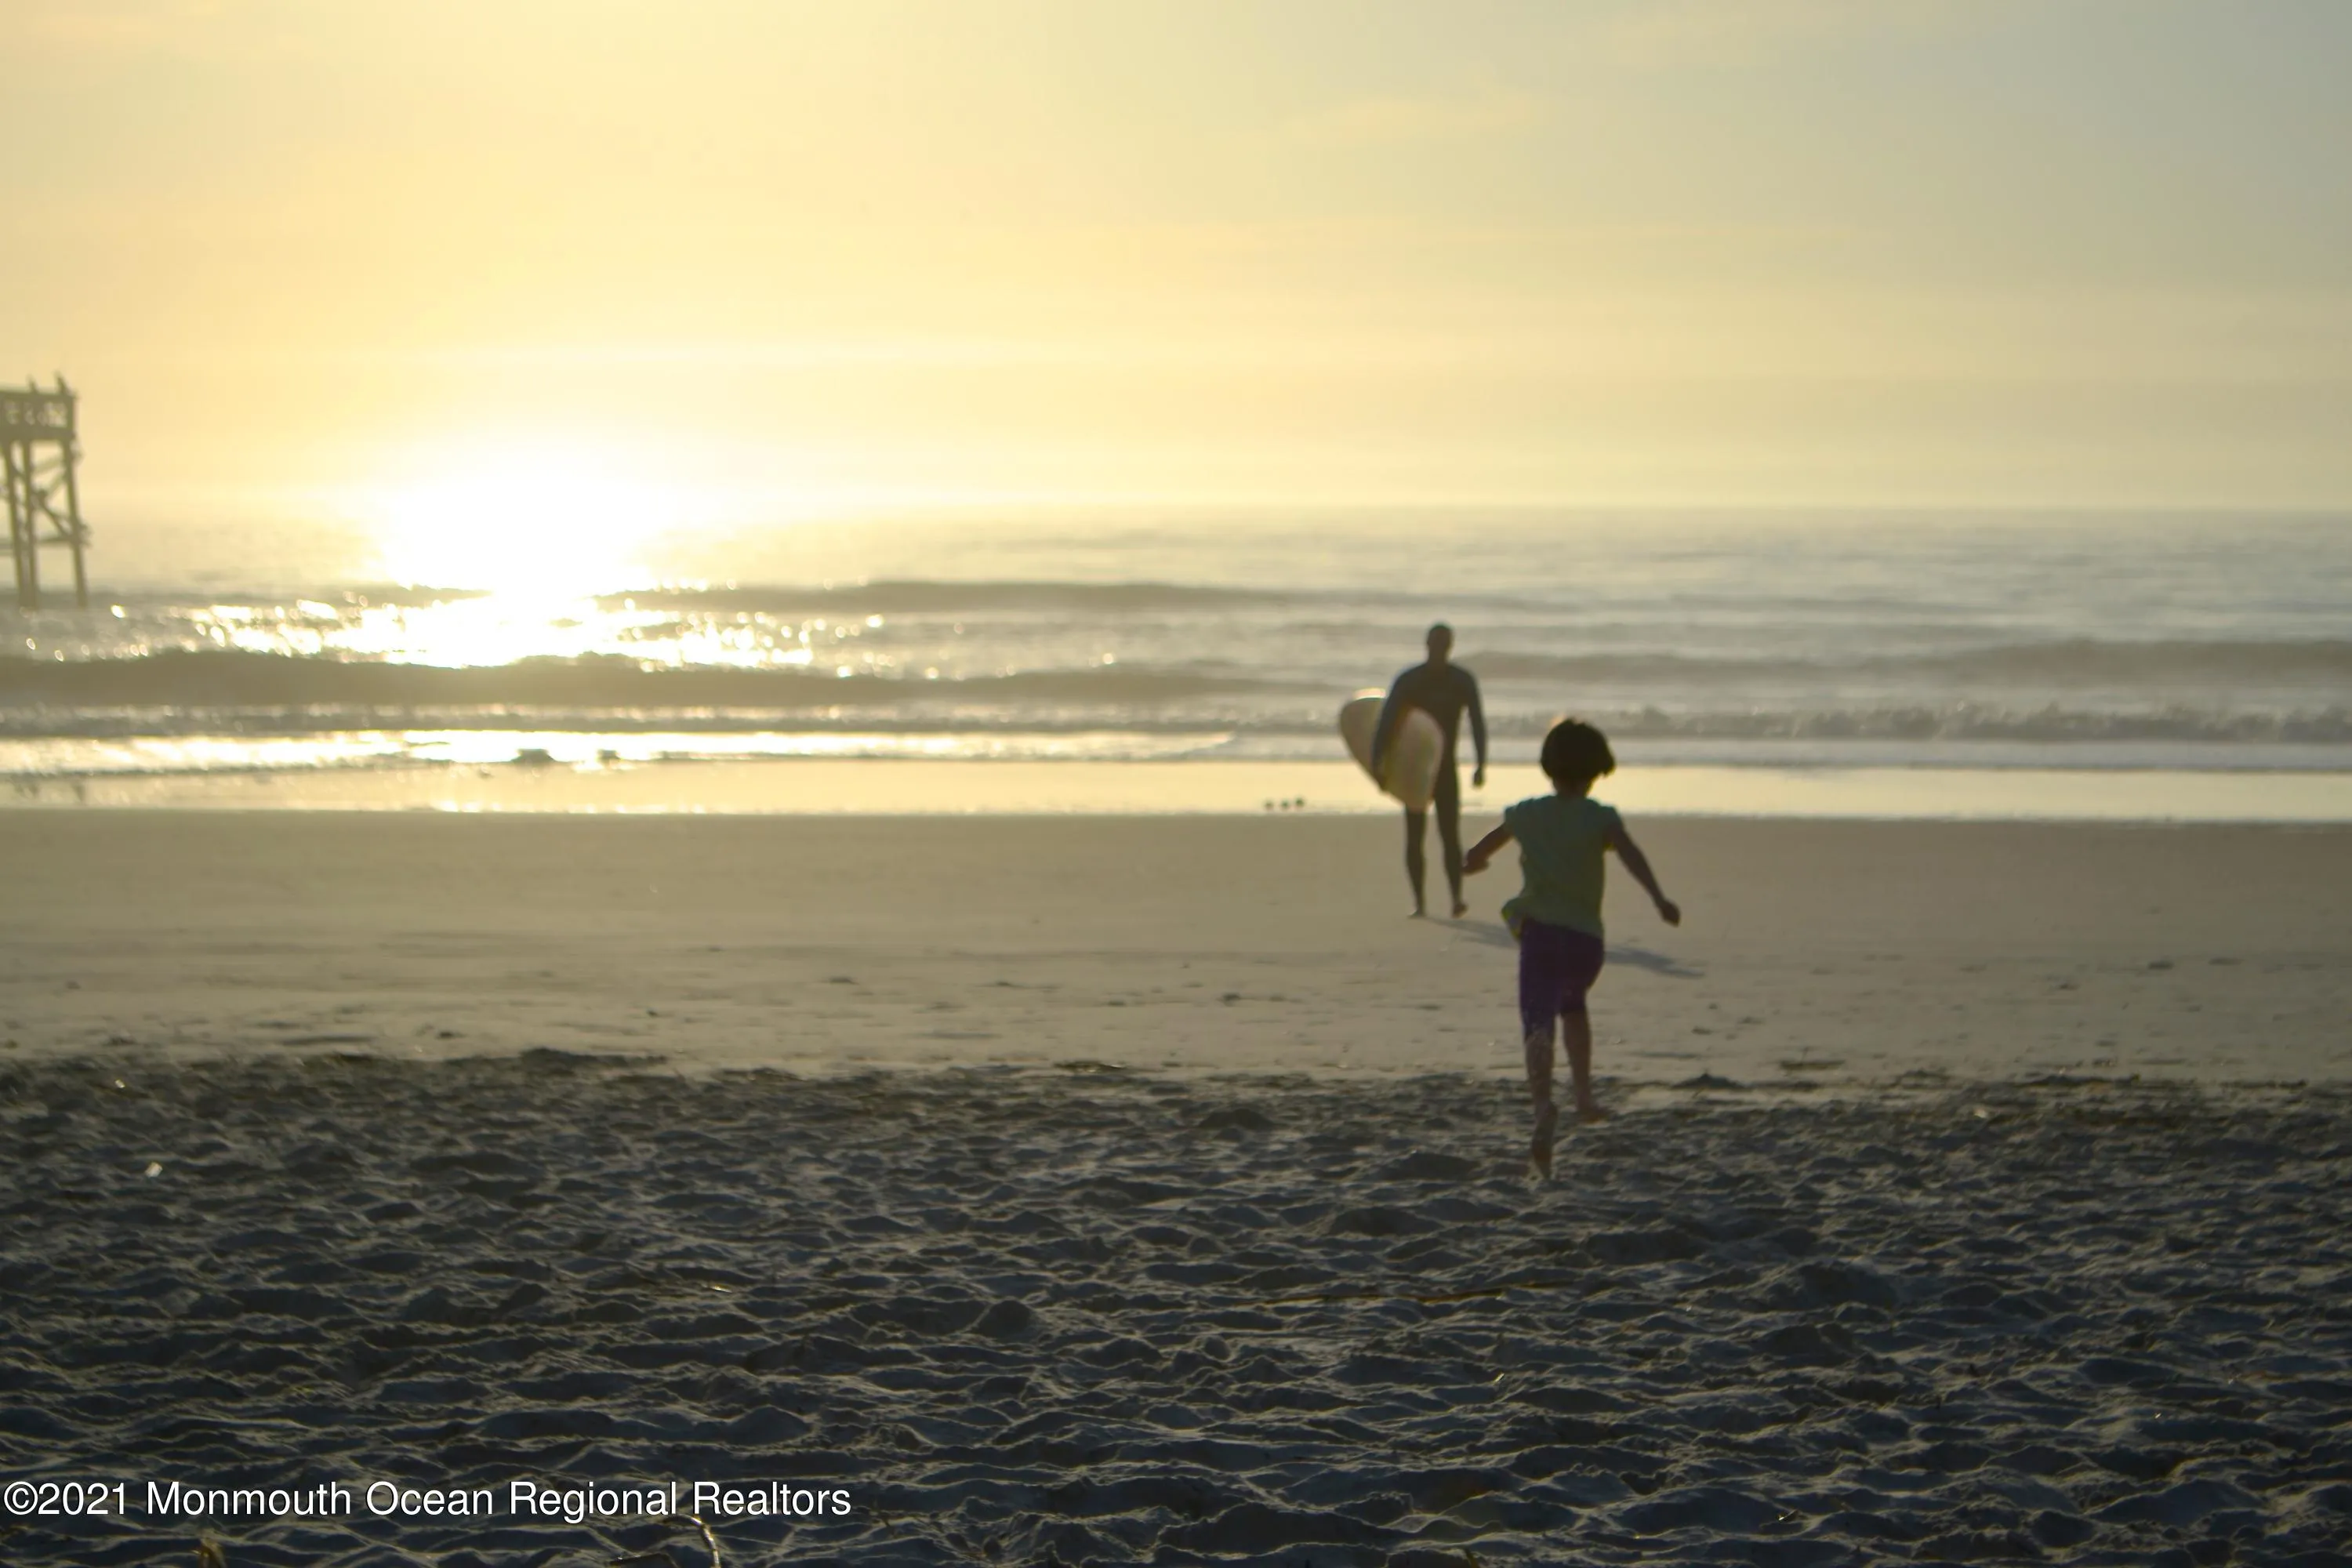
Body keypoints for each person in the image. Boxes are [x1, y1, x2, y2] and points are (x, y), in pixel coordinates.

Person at [1465, 718, 1680, 1178]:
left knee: (1537, 1022)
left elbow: (1480, 851)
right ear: (1597, 770)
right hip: (1586, 942)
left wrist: (1471, 864)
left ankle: (1543, 1105)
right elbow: (1631, 856)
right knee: (1575, 1007)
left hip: (1541, 936)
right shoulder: (1601, 817)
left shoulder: (1526, 813)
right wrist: (1659, 898)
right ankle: (1583, 1094)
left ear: (1548, 766)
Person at [1371, 623, 1487, 919]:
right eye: (1435, 643)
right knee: (1415, 836)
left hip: (1446, 768)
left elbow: (1477, 722)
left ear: (1449, 646)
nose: (1438, 649)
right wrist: (1378, 763)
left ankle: (1456, 899)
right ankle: (1419, 903)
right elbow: (1386, 722)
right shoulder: (1409, 681)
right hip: (1413, 769)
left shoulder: (1462, 681)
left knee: (1450, 835)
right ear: (1427, 645)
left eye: (1443, 644)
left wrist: (1480, 764)